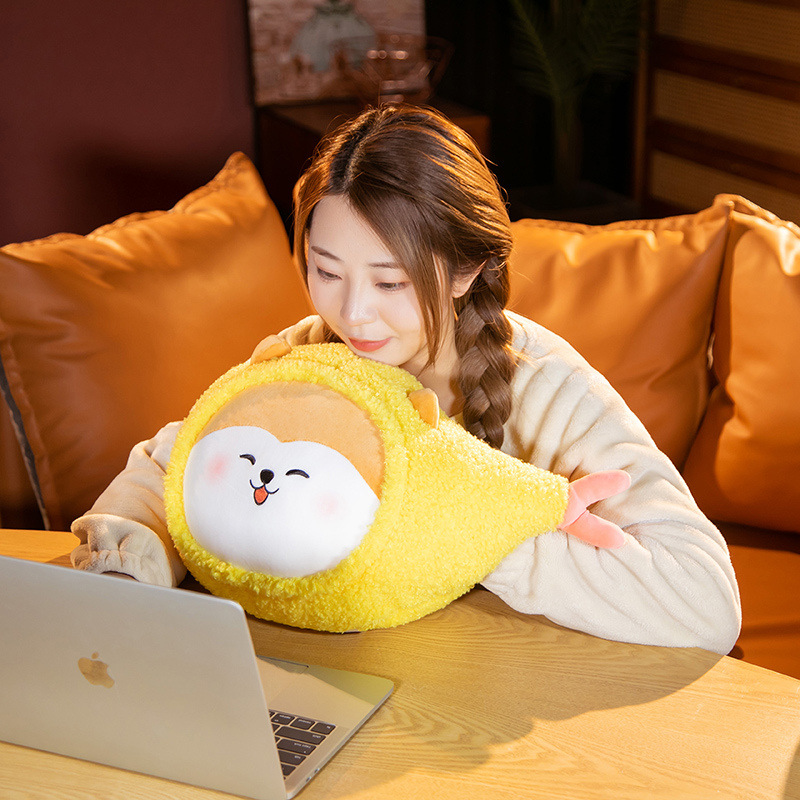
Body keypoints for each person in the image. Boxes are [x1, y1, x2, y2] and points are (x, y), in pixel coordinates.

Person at [71, 105, 741, 654]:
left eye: (390, 282)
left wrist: (472, 522)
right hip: (345, 671)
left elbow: (704, 600)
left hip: (491, 702)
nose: (353, 313)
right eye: (326, 271)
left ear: (466, 269)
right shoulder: (311, 353)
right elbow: (176, 464)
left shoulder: (546, 388)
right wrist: (137, 551)